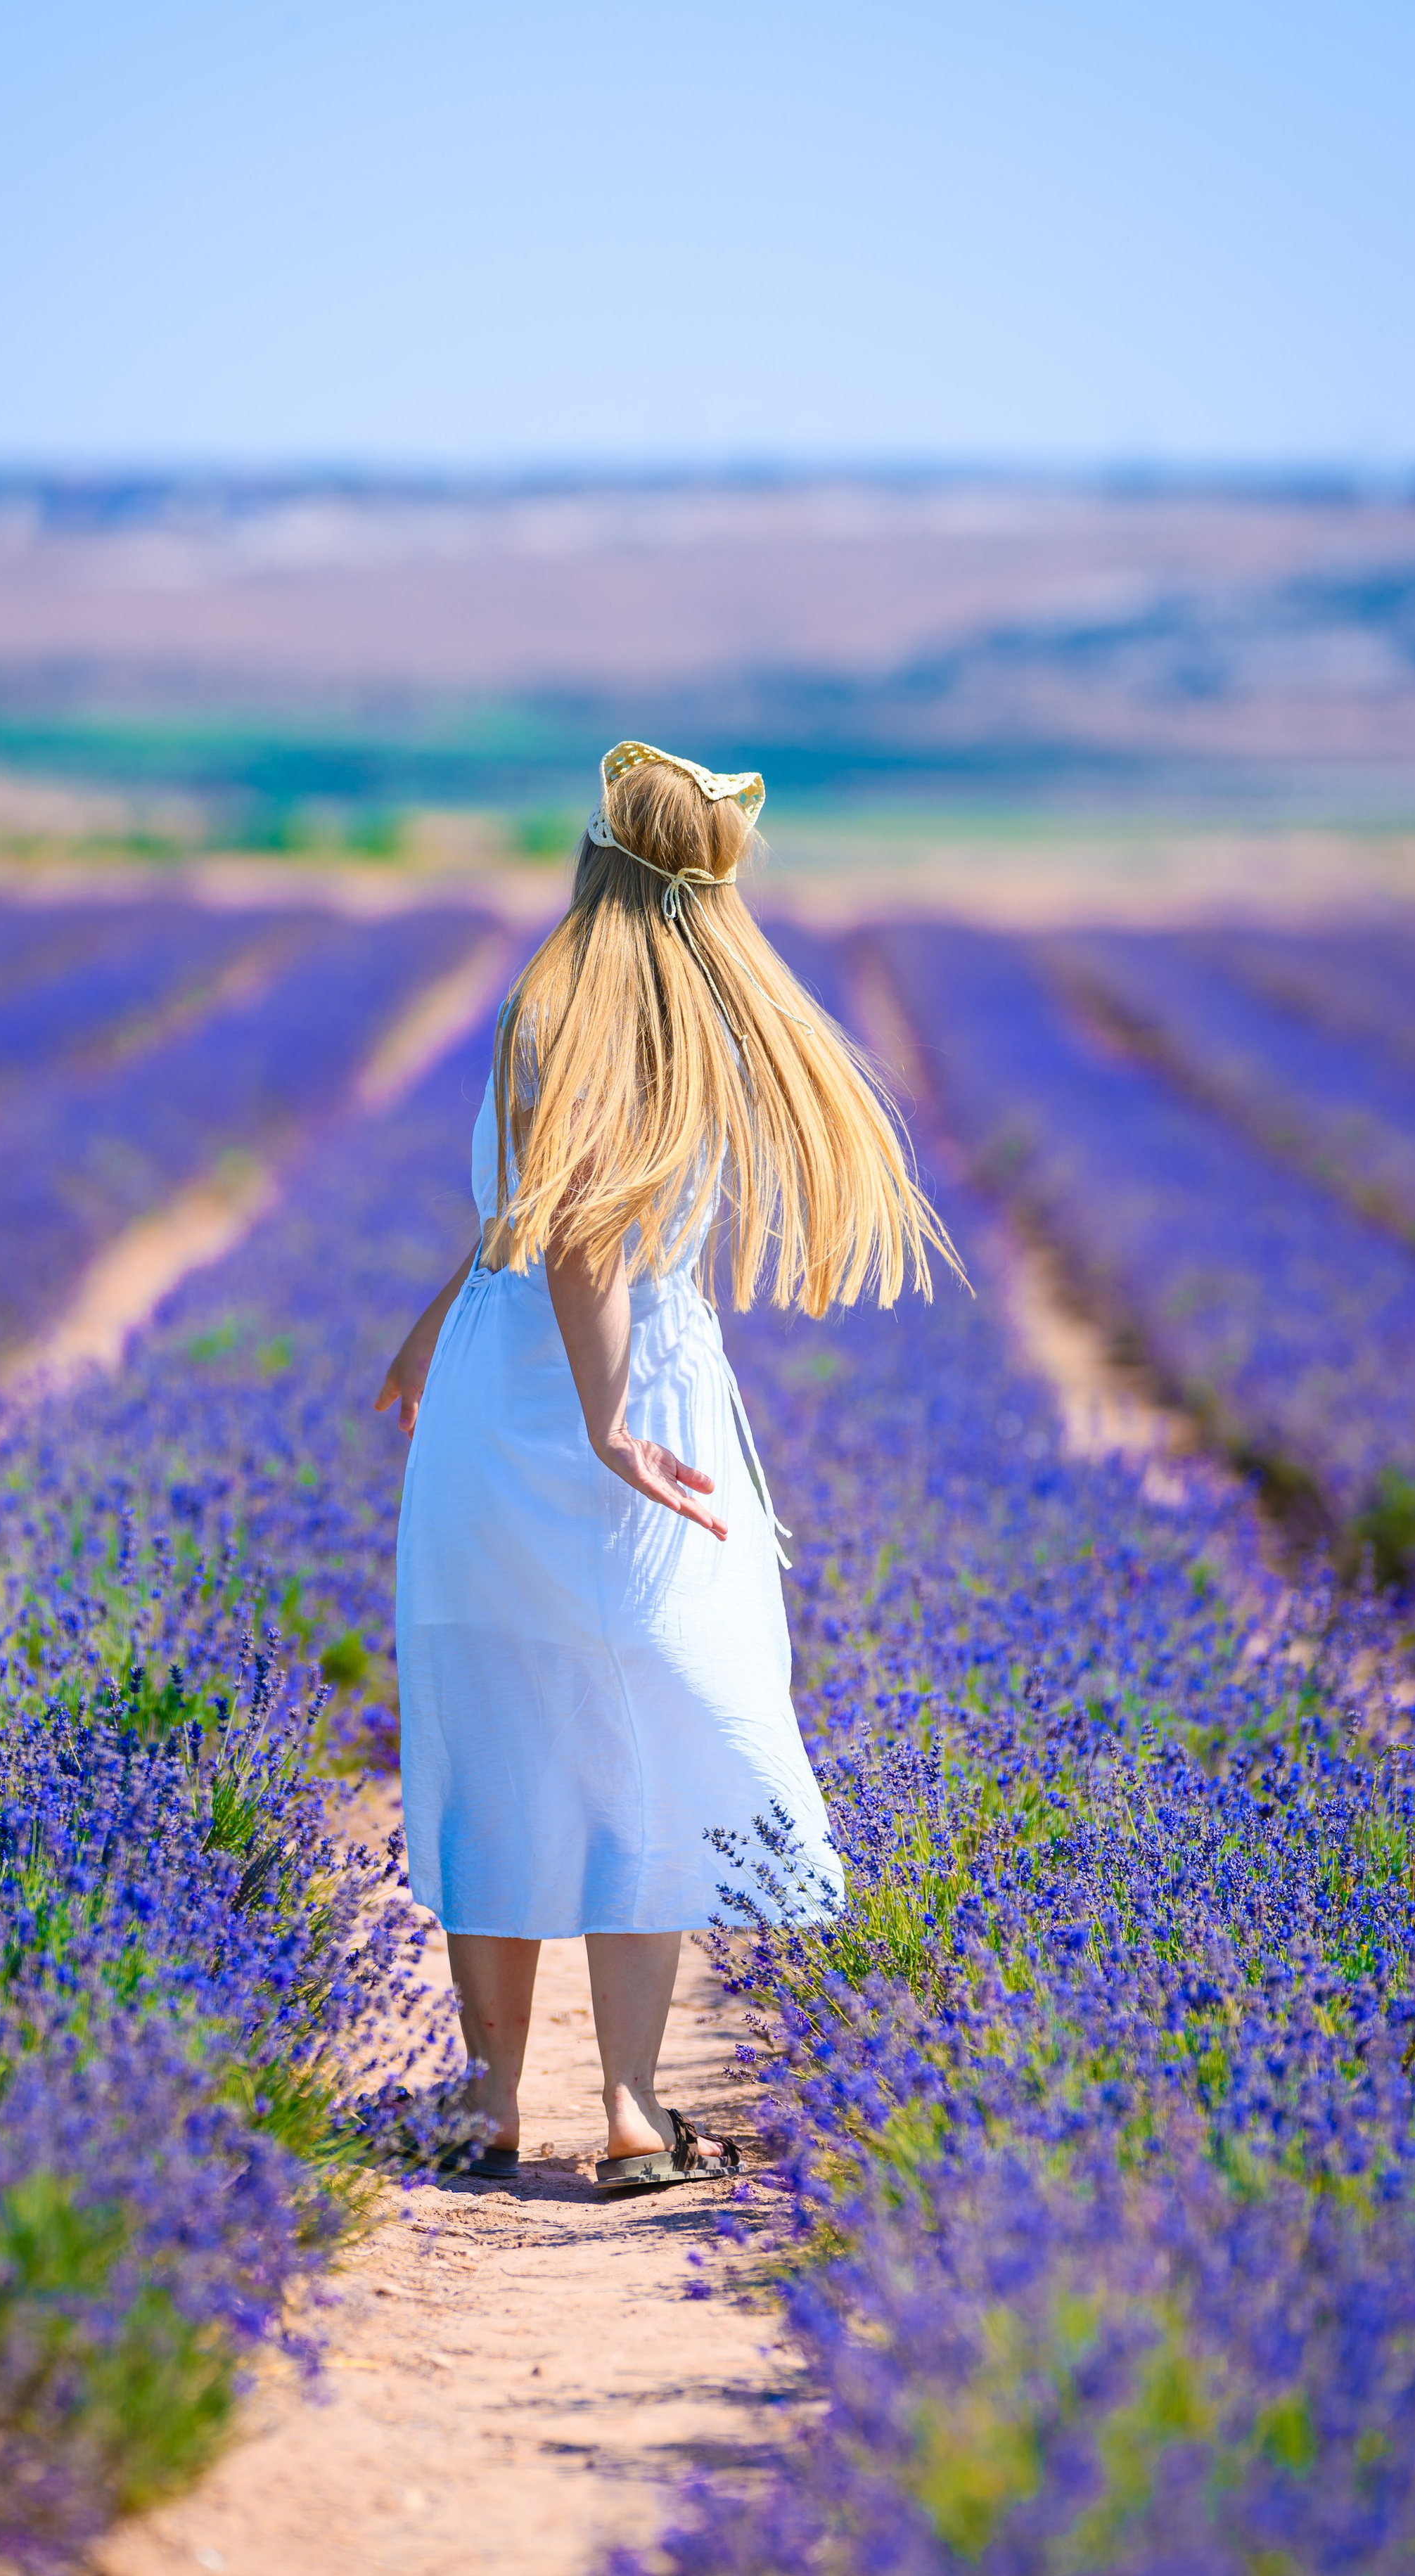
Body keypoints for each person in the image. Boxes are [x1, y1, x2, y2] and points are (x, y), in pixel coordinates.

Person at [375, 741, 957, 2196]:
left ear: (594, 857)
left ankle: (493, 2103)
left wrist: (479, 1351)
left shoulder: (545, 1002)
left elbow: (554, 1223)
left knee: (496, 1739)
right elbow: (569, 1228)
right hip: (630, 1399)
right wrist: (607, 1413)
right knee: (650, 1743)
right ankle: (632, 2113)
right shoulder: (679, 1018)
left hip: (530, 1407)